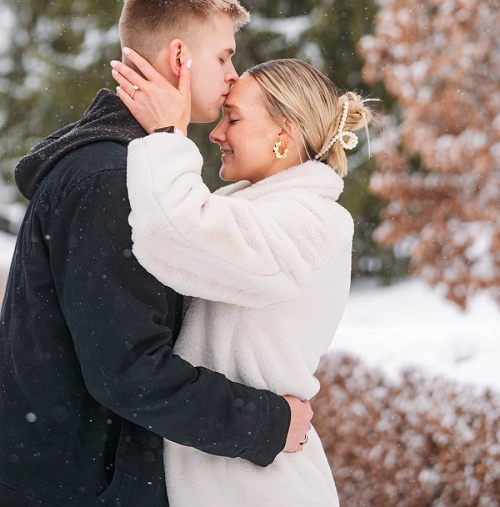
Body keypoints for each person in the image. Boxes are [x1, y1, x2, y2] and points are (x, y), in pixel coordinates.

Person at [0, 0, 312, 507]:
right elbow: (128, 372)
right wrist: (268, 422)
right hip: (80, 488)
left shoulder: (125, 168)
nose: (233, 76)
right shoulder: (110, 178)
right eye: (224, 57)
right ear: (179, 58)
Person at [111, 49, 373, 507]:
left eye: (232, 119)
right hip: (233, 473)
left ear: (284, 135)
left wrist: (168, 134)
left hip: (262, 488)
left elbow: (176, 234)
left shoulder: (314, 222)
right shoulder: (258, 213)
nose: (215, 133)